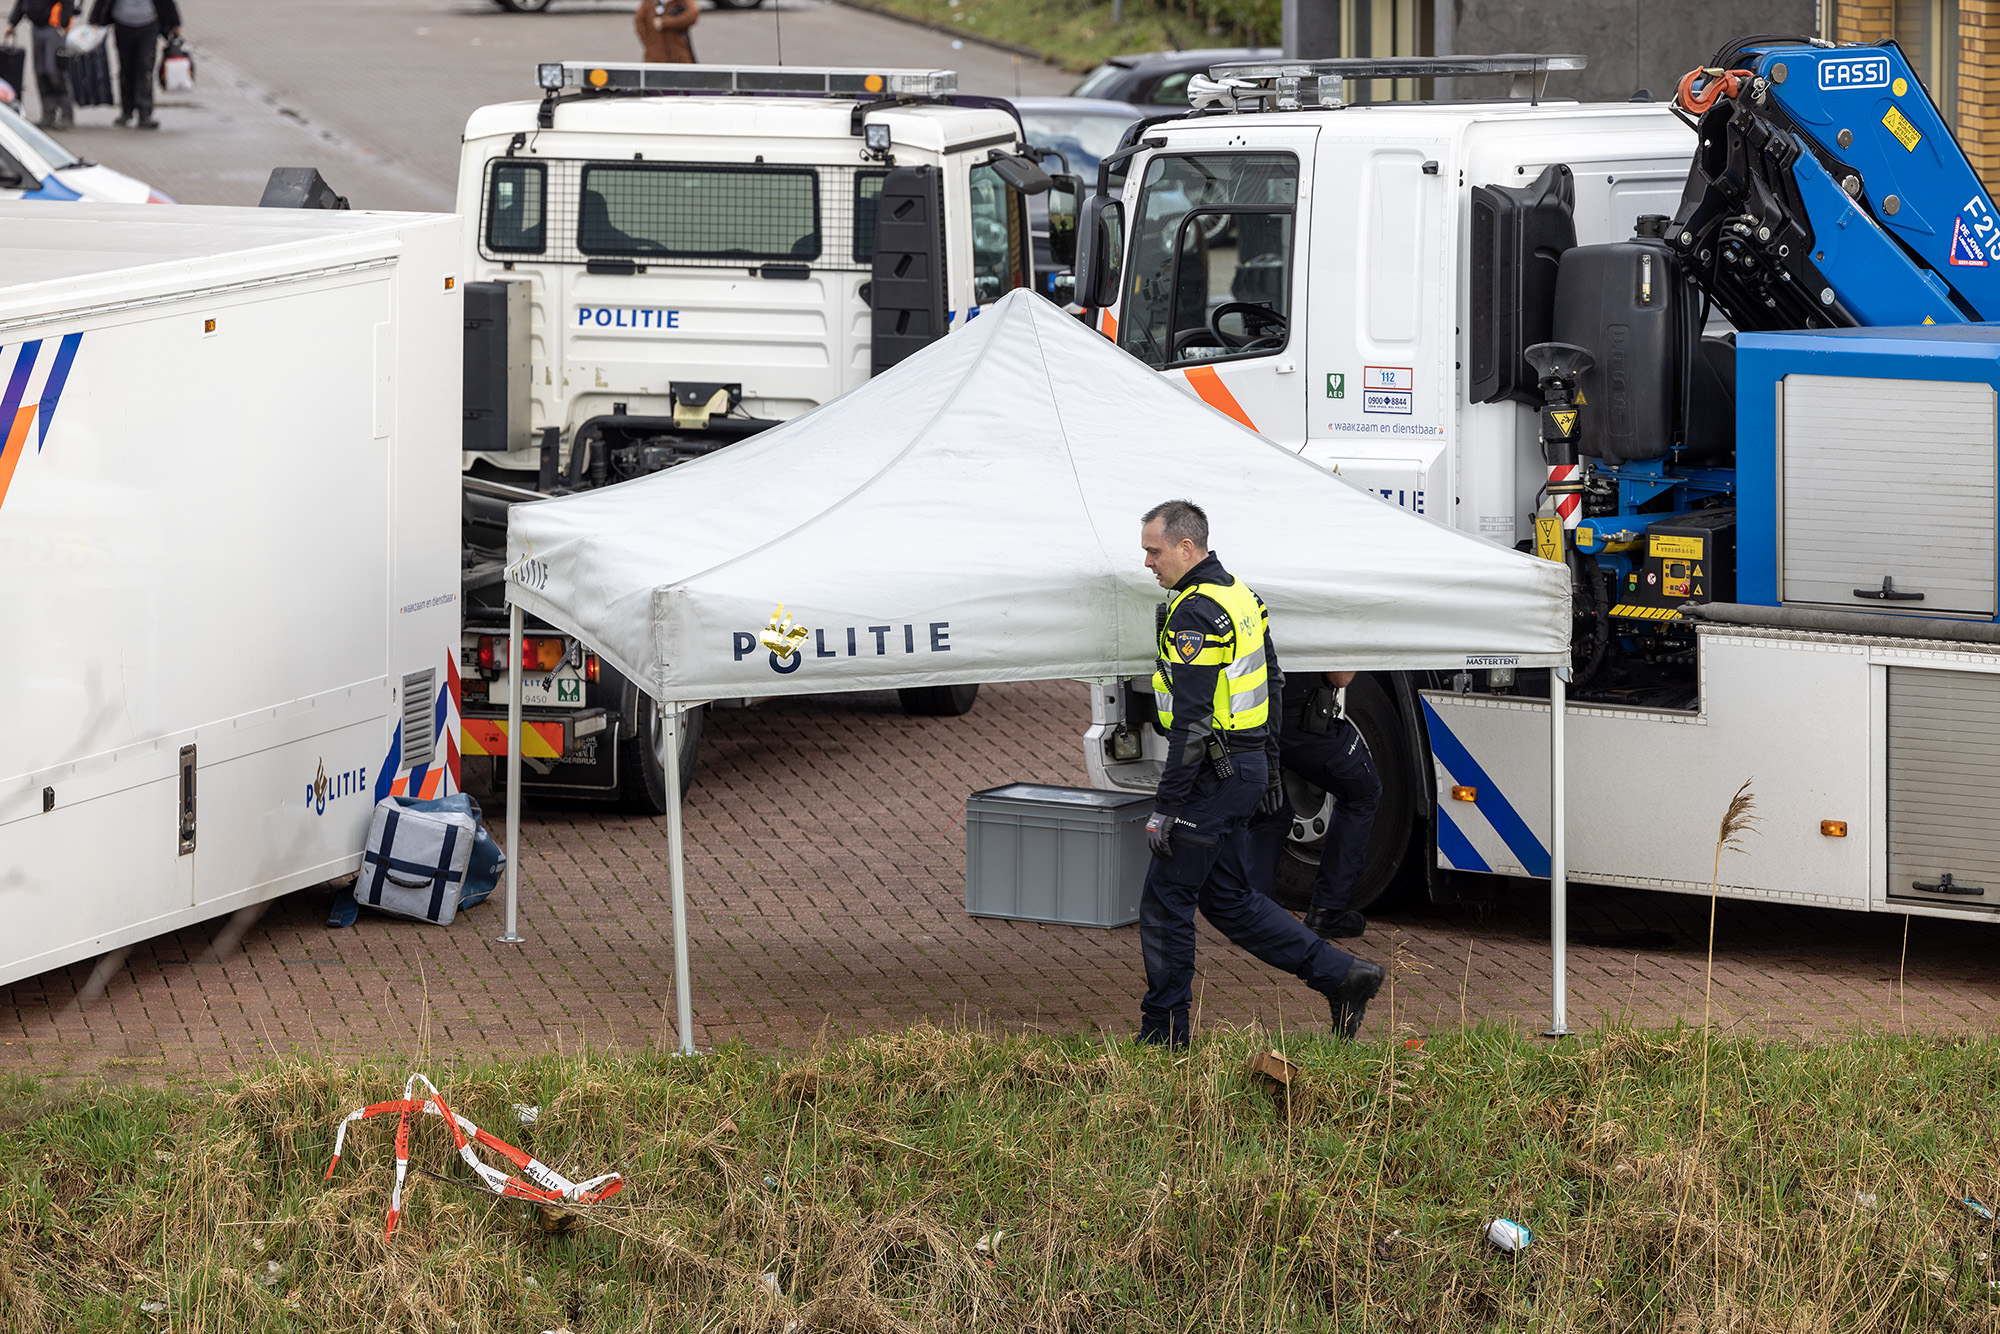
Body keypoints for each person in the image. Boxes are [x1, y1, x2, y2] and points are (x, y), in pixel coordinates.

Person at [1135, 499, 1384, 1047]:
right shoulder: (1241, 596)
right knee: (1228, 900)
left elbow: (1194, 723)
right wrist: (1267, 770)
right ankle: (1343, 977)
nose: (1148, 562)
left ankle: (1165, 1035)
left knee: (1165, 900)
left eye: (1154, 551)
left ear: (1186, 547)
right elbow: (1272, 683)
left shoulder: (1197, 612)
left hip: (1210, 776)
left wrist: (1166, 808)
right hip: (1240, 771)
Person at [1252, 670, 1382, 938]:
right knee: (1362, 791)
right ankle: (1328, 912)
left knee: (1271, 810)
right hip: (1298, 722)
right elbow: (1340, 678)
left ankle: (1253, 915)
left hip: (1248, 721)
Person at [87, 0, 177, 129]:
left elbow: (167, 3)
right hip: (122, 24)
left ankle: (145, 114)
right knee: (126, 69)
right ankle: (126, 111)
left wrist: (175, 23)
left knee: (145, 68)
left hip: (149, 24)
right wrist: (94, 20)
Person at [4, 0, 74, 130]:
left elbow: (68, 2)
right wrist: (12, 23)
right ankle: (48, 112)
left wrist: (63, 24)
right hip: (37, 26)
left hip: (54, 26)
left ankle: (66, 113)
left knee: (54, 71)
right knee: (40, 72)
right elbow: (22, 3)